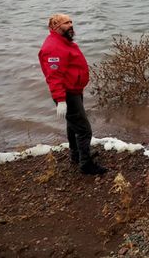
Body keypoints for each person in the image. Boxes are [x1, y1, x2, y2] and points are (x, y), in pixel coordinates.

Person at [38, 14, 108, 175]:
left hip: (74, 90)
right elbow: (54, 77)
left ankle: (76, 155)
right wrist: (61, 100)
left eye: (71, 22)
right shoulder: (53, 48)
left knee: (73, 125)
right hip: (68, 93)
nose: (70, 25)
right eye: (66, 23)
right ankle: (86, 164)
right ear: (55, 26)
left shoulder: (63, 42)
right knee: (84, 129)